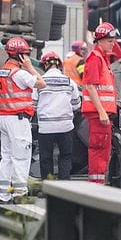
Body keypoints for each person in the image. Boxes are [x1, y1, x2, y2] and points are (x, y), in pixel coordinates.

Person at [0, 37, 46, 204]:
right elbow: (42, 83)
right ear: (20, 56)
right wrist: (31, 68)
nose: (27, 58)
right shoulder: (20, 73)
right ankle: (19, 193)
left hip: (4, 118)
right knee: (21, 157)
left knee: (6, 157)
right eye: (25, 55)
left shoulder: (0, 73)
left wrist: (2, 112)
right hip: (18, 119)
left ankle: (3, 194)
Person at [82, 22, 119, 184]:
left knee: (103, 151)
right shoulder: (95, 59)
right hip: (99, 115)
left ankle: (98, 184)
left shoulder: (102, 59)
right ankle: (96, 187)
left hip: (102, 114)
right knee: (98, 151)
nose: (113, 44)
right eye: (110, 41)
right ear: (101, 41)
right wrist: (102, 111)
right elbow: (91, 87)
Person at [34, 51, 82, 181]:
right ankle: (64, 187)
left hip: (46, 127)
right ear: (59, 65)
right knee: (65, 156)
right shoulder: (69, 82)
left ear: (44, 65)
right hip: (65, 127)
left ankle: (48, 188)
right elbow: (77, 104)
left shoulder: (39, 82)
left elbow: (33, 105)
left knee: (46, 158)